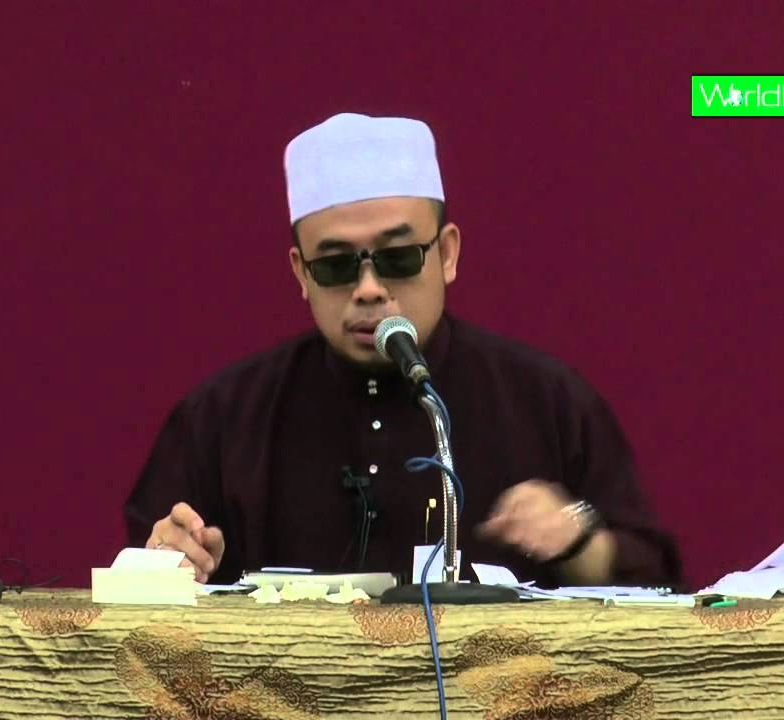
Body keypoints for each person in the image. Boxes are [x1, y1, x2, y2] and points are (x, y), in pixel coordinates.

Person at [124, 112, 680, 588]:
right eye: (336, 265)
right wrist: (168, 562)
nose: (369, 289)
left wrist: (577, 541)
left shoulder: (544, 400)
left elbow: (659, 586)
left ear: (448, 254)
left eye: (397, 258)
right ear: (301, 274)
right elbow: (141, 593)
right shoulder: (224, 418)